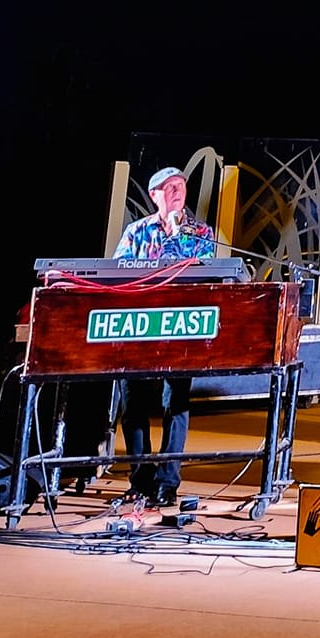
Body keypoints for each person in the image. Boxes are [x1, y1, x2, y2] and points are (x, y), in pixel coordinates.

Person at [111, 165, 218, 507]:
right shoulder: (136, 231)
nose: (177, 192)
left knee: (176, 404)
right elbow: (118, 273)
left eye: (181, 186)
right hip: (139, 329)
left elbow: (204, 273)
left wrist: (175, 236)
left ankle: (167, 482)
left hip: (181, 330)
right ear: (154, 194)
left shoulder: (200, 231)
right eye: (169, 187)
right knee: (133, 406)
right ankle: (140, 480)